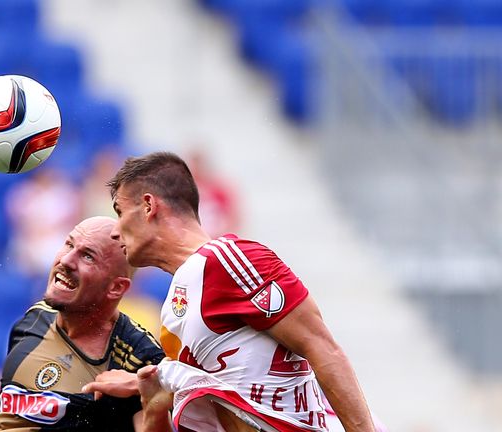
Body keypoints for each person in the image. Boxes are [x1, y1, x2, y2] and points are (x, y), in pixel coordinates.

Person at [83, 152, 376, 432]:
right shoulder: (175, 306)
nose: (115, 231)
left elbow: (322, 347)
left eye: (119, 211)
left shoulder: (228, 260)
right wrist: (151, 393)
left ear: (148, 206)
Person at [0, 216, 166, 431]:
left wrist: (154, 399)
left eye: (88, 257)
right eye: (69, 244)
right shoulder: (33, 319)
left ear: (115, 288)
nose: (66, 260)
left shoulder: (140, 358)